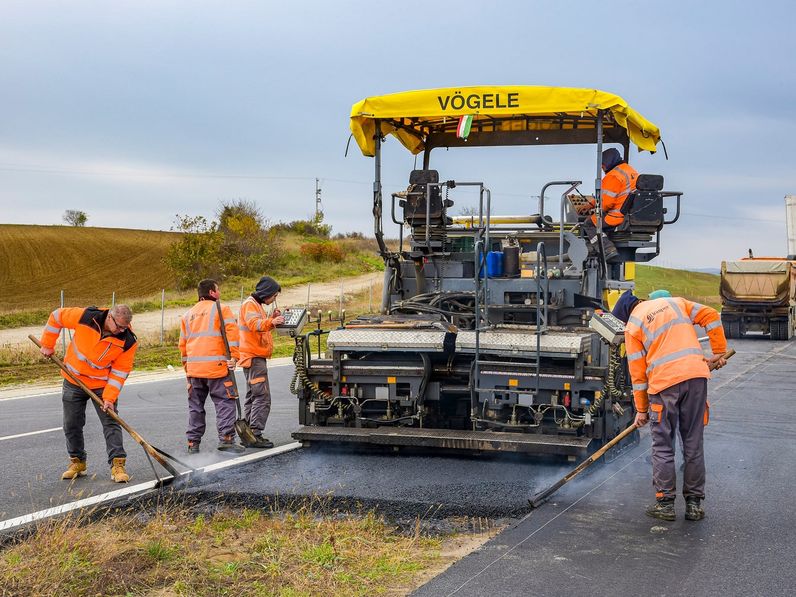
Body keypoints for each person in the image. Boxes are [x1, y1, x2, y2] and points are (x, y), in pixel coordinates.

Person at [612, 289, 728, 522]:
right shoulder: (675, 302)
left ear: (625, 314)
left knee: (663, 445)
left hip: (663, 386)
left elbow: (638, 375)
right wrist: (718, 352)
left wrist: (642, 410)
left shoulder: (632, 326)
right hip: (696, 378)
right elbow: (712, 315)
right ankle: (694, 505)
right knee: (693, 442)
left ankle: (665, 504)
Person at [39, 304, 137, 483]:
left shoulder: (128, 341)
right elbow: (56, 316)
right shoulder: (86, 317)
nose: (122, 330)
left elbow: (119, 373)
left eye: (126, 326)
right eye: (120, 326)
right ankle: (77, 462)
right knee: (71, 424)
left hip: (101, 385)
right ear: (109, 318)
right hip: (73, 379)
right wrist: (47, 344)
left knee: (111, 422)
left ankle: (117, 464)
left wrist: (109, 398)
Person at [180, 279, 245, 454]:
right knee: (225, 403)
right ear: (211, 293)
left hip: (194, 370)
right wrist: (234, 357)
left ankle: (193, 443)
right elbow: (232, 336)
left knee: (195, 407)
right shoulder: (221, 309)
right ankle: (227, 439)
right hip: (217, 368)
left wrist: (188, 372)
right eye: (218, 290)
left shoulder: (187, 315)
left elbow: (183, 346)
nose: (220, 293)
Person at [238, 276, 285, 449]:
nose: (274, 299)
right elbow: (253, 324)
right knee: (262, 396)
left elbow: (260, 326)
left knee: (252, 396)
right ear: (267, 293)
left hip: (251, 356)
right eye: (274, 296)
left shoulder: (255, 305)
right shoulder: (250, 304)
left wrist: (271, 320)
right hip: (254, 356)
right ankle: (255, 434)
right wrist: (271, 321)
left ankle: (248, 435)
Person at [580, 148, 639, 261]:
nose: (602, 168)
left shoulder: (613, 175)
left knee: (589, 223)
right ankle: (602, 244)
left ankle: (607, 250)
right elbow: (614, 195)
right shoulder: (630, 171)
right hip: (629, 214)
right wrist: (592, 204)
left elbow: (606, 204)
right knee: (598, 222)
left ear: (608, 161)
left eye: (602, 164)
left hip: (617, 216)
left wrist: (594, 208)